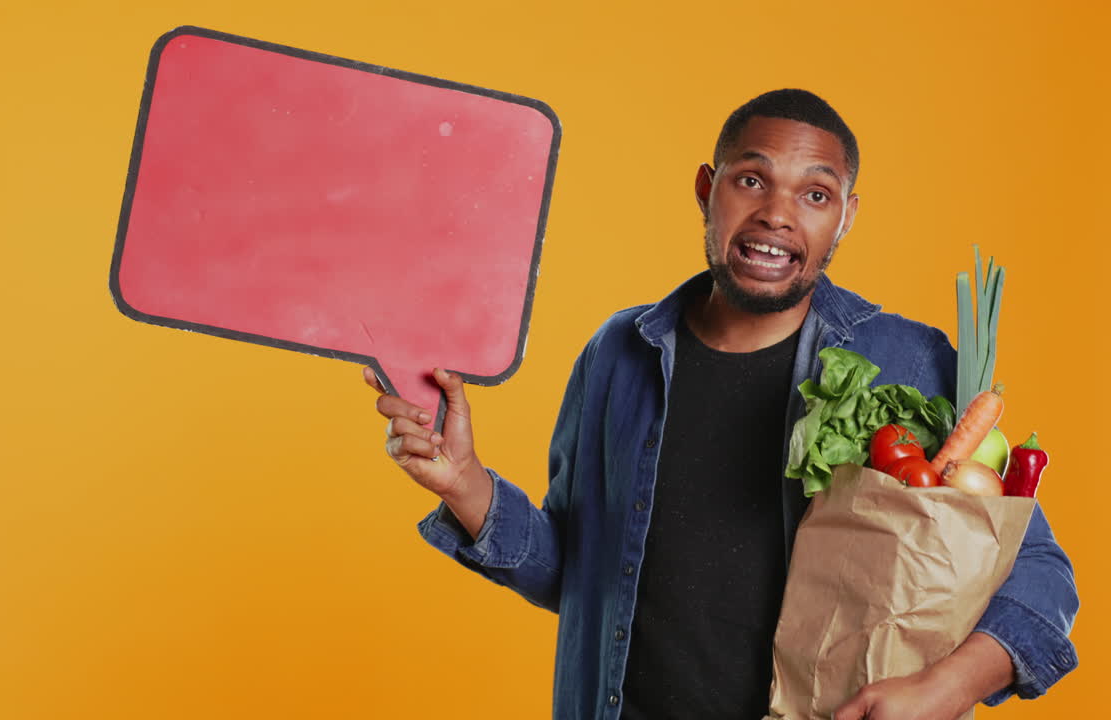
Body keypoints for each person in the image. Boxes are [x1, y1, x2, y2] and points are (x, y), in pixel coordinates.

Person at [363, 89, 1078, 720]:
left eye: (815, 195)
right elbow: (583, 577)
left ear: (846, 218)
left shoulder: (907, 363)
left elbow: (1041, 574)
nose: (777, 215)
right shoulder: (619, 352)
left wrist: (947, 688)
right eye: (751, 180)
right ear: (708, 188)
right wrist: (466, 485)